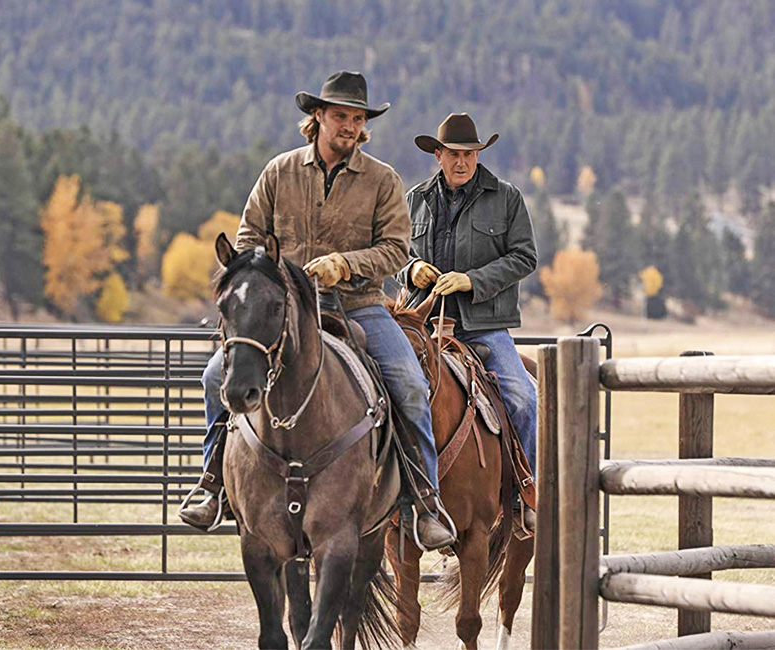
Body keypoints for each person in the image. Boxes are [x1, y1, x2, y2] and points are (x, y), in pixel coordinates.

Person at [180, 71, 456, 550]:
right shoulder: (279, 172)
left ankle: (424, 500)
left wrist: (345, 265)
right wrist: (269, 276)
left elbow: (396, 249)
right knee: (213, 377)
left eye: (358, 118)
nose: (350, 125)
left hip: (359, 304)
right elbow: (247, 239)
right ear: (318, 116)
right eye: (340, 116)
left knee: (410, 385)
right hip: (285, 310)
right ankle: (213, 483)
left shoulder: (382, 180)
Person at [399, 112, 538, 533]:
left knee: (522, 398)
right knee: (376, 392)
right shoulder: (414, 199)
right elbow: (396, 252)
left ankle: (525, 495)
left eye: (470, 154)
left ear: (478, 155)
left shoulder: (506, 197)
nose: (462, 161)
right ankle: (383, 499)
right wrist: (411, 270)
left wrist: (472, 280)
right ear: (438, 155)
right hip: (421, 323)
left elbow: (524, 257)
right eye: (454, 154)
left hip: (483, 324)